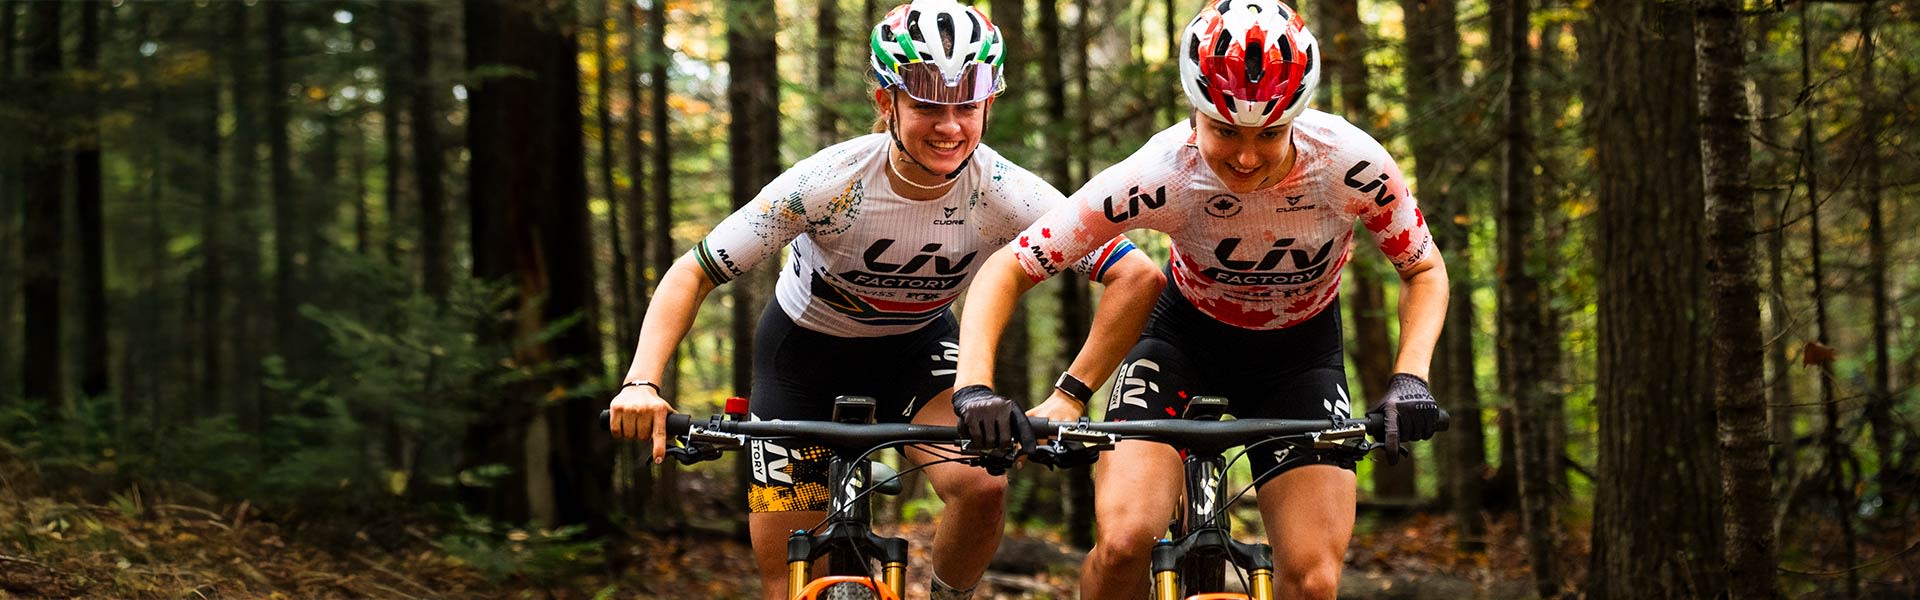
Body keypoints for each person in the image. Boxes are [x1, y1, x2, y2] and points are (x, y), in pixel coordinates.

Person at [605, 1, 1161, 597]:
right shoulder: (829, 181)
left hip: (917, 352)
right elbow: (694, 272)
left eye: (966, 106)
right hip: (802, 359)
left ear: (988, 105)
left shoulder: (1006, 191)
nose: (949, 126)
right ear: (885, 103)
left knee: (983, 486)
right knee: (790, 583)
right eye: (926, 105)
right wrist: (642, 381)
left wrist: (1070, 394)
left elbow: (1133, 274)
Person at [947, 0, 1448, 597]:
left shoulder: (1348, 164)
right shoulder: (1162, 172)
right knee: (1124, 544)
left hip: (1300, 358)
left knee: (1314, 580)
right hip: (1182, 344)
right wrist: (974, 386)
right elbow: (1010, 266)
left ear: (1299, 115)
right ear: (1193, 113)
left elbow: (1422, 268)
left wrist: (1410, 377)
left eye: (1270, 133)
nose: (1246, 155)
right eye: (1225, 130)